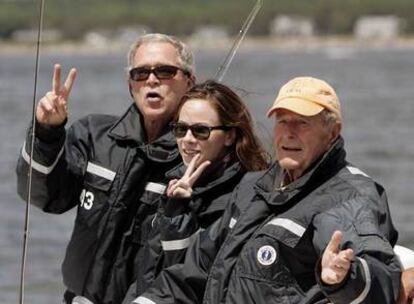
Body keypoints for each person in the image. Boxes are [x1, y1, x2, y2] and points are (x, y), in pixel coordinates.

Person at [134, 76, 401, 304]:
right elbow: (196, 270)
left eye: (302, 123)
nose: (289, 133)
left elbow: (382, 275)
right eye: (282, 122)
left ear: (333, 132)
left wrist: (345, 278)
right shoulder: (253, 186)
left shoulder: (350, 194)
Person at [16, 33, 195, 304]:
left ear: (189, 81)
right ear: (130, 84)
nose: (152, 79)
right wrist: (47, 132)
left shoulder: (198, 155)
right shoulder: (93, 135)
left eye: (165, 71)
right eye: (141, 73)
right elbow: (44, 196)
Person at [122, 80, 268, 302]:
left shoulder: (243, 198)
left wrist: (178, 215)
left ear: (230, 135)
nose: (187, 140)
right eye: (180, 129)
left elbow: (190, 277)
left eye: (201, 131)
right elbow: (149, 270)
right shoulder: (174, 184)